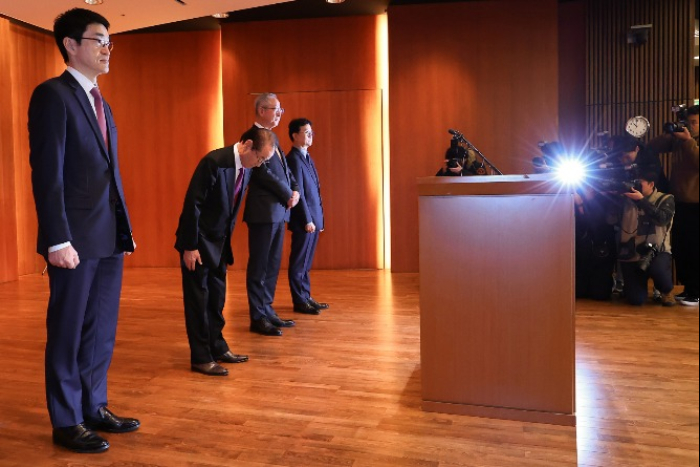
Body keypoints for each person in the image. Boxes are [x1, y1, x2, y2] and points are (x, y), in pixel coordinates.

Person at [28, 8, 138, 454]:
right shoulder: (52, 95)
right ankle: (67, 418)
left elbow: (109, 174)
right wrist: (57, 238)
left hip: (107, 235)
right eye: (98, 39)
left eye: (109, 40)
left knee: (101, 329)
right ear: (71, 45)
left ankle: (95, 405)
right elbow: (47, 173)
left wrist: (124, 230)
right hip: (72, 238)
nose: (107, 48)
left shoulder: (101, 101)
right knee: (69, 329)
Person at [175, 128, 276, 376]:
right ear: (247, 145)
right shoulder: (214, 162)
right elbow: (193, 205)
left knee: (216, 300)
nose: (260, 163)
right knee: (198, 302)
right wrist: (190, 246)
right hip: (198, 244)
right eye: (260, 158)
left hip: (220, 245)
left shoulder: (246, 168)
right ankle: (201, 357)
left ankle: (218, 347)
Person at [244, 93, 300, 336]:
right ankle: (257, 317)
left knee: (273, 264)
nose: (279, 114)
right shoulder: (250, 137)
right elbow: (262, 172)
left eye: (281, 110)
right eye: (275, 109)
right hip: (263, 212)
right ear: (261, 110)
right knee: (260, 264)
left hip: (279, 211)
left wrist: (295, 190)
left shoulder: (274, 137)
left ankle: (267, 309)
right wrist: (288, 192)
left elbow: (285, 170)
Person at [648, 105, 699, 307]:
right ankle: (689, 288)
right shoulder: (680, 141)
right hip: (678, 202)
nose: (691, 126)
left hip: (696, 204)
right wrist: (670, 134)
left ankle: (696, 291)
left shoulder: (689, 143)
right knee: (681, 248)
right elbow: (652, 146)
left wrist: (688, 141)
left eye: (695, 122)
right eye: (689, 122)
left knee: (695, 249)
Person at [286, 119, 330, 315]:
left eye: (311, 132)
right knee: (298, 262)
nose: (311, 135)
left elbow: (316, 191)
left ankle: (306, 296)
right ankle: (299, 301)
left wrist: (319, 218)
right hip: (305, 221)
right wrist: (307, 220)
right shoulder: (293, 159)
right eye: (306, 132)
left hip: (313, 219)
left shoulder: (306, 157)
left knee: (306, 262)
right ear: (294, 135)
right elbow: (299, 192)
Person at [613, 171, 675, 307]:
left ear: (651, 184)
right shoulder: (624, 201)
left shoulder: (665, 199)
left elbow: (662, 219)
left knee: (658, 269)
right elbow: (609, 220)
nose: (634, 186)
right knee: (636, 300)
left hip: (656, 251)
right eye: (632, 182)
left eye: (639, 183)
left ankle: (666, 290)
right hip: (631, 252)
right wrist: (612, 199)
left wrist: (641, 201)